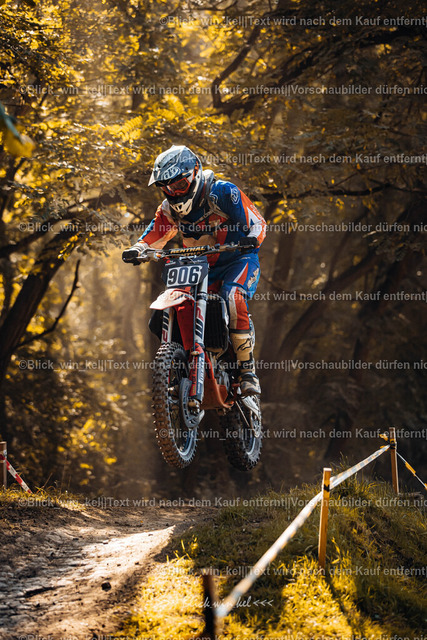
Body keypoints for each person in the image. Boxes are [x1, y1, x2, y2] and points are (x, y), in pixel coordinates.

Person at [122, 145, 266, 396]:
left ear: (195, 172)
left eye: (179, 185)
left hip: (237, 259)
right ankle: (183, 363)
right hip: (200, 266)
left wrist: (252, 238)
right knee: (175, 303)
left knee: (232, 296)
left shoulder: (223, 192)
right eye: (167, 188)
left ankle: (247, 372)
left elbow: (258, 223)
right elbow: (155, 234)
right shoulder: (168, 209)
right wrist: (139, 249)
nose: (174, 193)